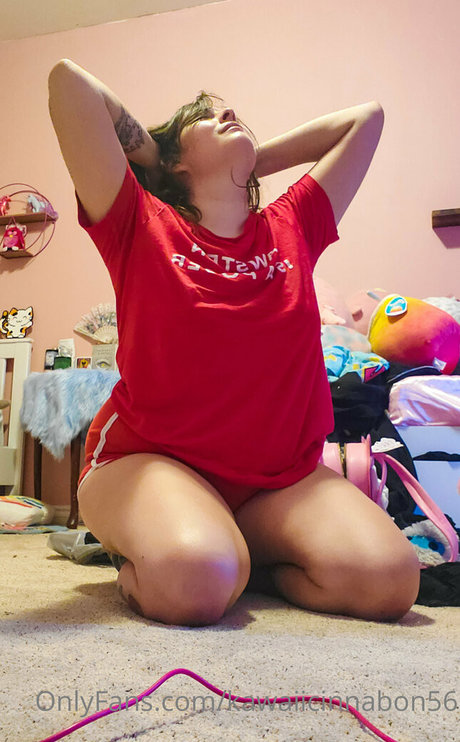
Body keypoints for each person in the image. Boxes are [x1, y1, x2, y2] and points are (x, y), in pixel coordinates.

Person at [48, 58, 420, 627]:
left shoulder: (293, 224)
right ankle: (162, 555)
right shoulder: (138, 221)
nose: (227, 115)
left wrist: (254, 160)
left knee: (390, 582)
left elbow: (365, 120)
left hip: (277, 481)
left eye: (230, 114)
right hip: (149, 460)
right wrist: (154, 155)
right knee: (192, 584)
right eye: (205, 117)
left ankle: (236, 552)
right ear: (172, 161)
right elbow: (69, 84)